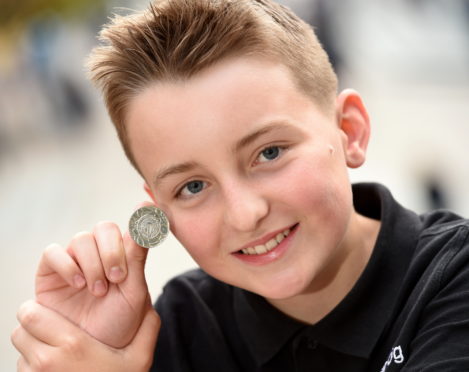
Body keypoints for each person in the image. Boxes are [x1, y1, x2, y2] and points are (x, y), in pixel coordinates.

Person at [11, 0, 469, 371]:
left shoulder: (453, 281)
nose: (245, 214)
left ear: (349, 131)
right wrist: (87, 349)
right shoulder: (176, 325)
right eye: (192, 187)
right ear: (159, 210)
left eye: (269, 153)